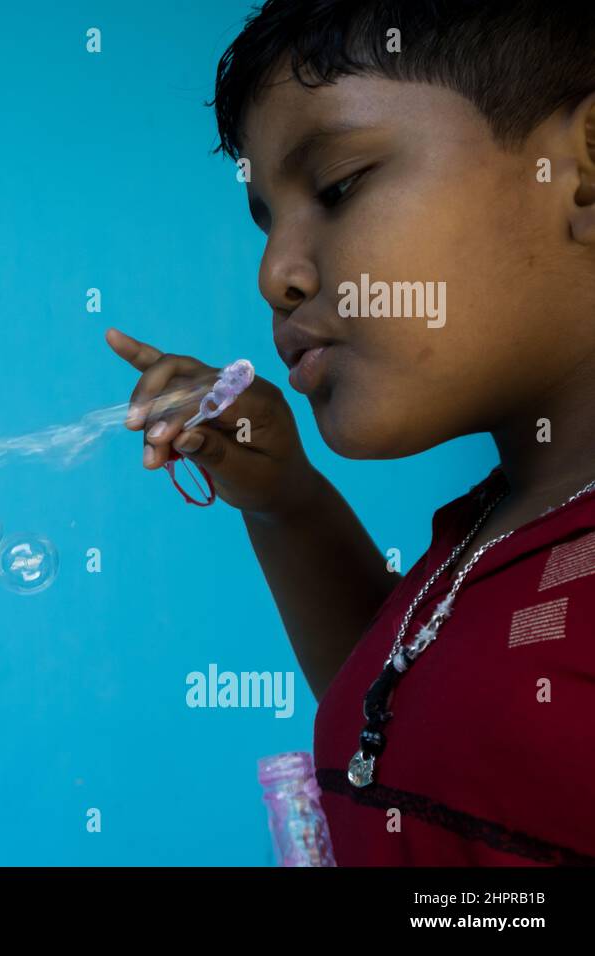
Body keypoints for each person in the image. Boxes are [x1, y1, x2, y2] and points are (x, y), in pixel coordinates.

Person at [107, 0, 595, 865]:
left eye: (336, 187)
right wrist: (287, 506)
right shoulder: (492, 529)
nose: (275, 275)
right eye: (264, 218)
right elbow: (423, 732)